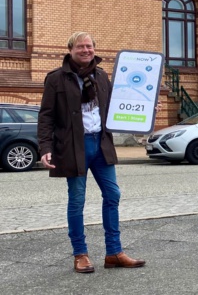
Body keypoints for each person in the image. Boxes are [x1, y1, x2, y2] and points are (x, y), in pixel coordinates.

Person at [38, 32, 146, 273]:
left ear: (94, 49)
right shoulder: (56, 78)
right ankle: (80, 254)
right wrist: (45, 147)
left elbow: (117, 105)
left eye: (89, 46)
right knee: (77, 200)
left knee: (112, 195)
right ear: (70, 50)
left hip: (101, 144)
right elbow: (46, 116)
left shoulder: (101, 75)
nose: (86, 50)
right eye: (80, 47)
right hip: (73, 147)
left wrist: (147, 109)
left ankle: (114, 252)